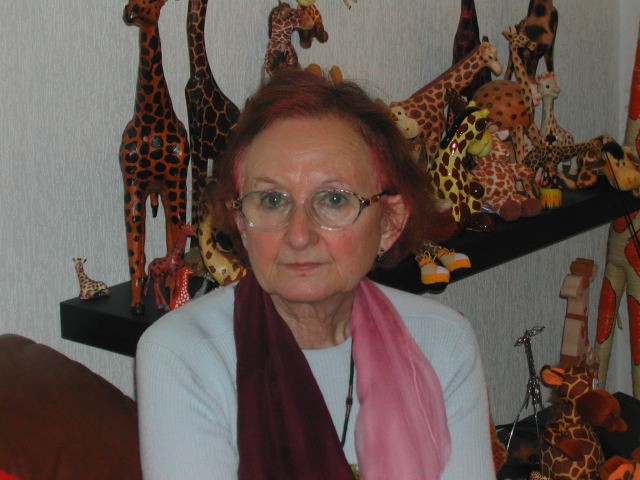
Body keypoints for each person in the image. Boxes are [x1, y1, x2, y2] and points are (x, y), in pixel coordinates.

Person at [136, 69, 495, 480]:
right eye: (272, 200)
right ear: (240, 222)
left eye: (333, 199)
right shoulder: (184, 354)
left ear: (389, 222)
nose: (299, 235)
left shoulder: (441, 342)